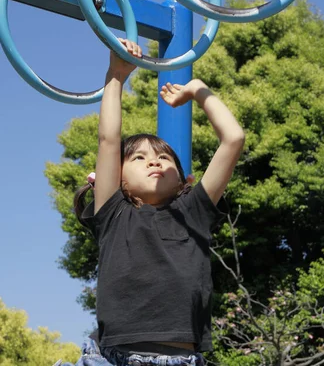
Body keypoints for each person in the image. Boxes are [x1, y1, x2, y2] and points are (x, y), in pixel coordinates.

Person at [54, 39, 245, 366]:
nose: (154, 162)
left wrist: (199, 90)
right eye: (139, 157)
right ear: (119, 177)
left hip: (181, 358)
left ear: (184, 180)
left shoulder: (193, 212)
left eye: (164, 158)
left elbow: (233, 139)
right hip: (115, 358)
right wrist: (116, 75)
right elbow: (109, 138)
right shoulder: (114, 214)